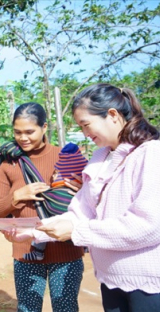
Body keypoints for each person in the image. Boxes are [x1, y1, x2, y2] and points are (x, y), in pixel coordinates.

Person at [34, 84, 160, 311]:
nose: (85, 134)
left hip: (147, 286)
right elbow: (81, 210)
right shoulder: (101, 157)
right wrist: (35, 230)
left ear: (112, 115)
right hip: (110, 280)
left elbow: (148, 225)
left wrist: (78, 232)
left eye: (86, 125)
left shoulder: (151, 154)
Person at [0, 102, 85, 312]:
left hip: (66, 249)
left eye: (30, 132)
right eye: (17, 132)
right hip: (26, 251)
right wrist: (17, 196)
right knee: (27, 308)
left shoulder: (67, 158)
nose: (23, 138)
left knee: (66, 308)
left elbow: (91, 202)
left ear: (44, 127)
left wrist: (80, 190)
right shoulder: (9, 163)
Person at [23, 142, 88, 261]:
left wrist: (48, 190)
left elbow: (54, 182)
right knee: (81, 217)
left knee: (45, 223)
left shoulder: (60, 169)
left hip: (61, 197)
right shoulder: (85, 167)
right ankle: (84, 244)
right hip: (74, 199)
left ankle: (38, 252)